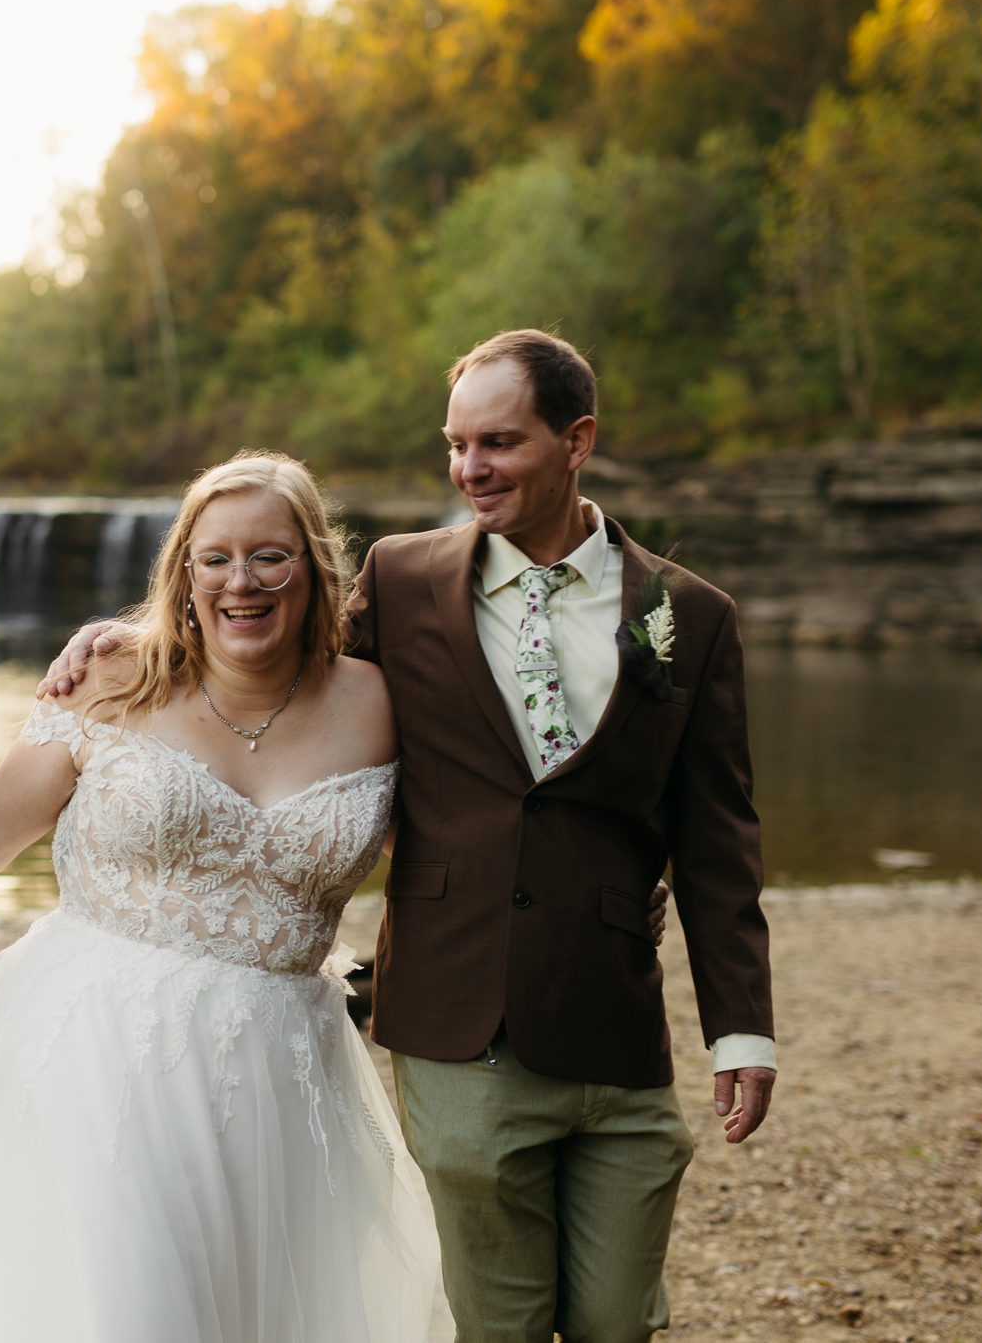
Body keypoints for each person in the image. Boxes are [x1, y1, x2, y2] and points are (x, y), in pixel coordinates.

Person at [42, 330, 775, 1343]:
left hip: (612, 1012)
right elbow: (275, 643)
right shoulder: (402, 578)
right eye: (455, 444)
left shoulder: (685, 616)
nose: (469, 468)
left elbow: (716, 837)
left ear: (578, 442)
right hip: (454, 1002)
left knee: (617, 1319)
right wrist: (133, 637)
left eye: (498, 442)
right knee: (499, 1316)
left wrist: (739, 1026)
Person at [0, 453, 455, 1342]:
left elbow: (462, 846)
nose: (240, 581)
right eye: (214, 558)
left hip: (287, 1069)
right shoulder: (111, 679)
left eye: (270, 556)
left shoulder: (381, 702)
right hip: (106, 1055)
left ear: (313, 566)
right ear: (182, 573)